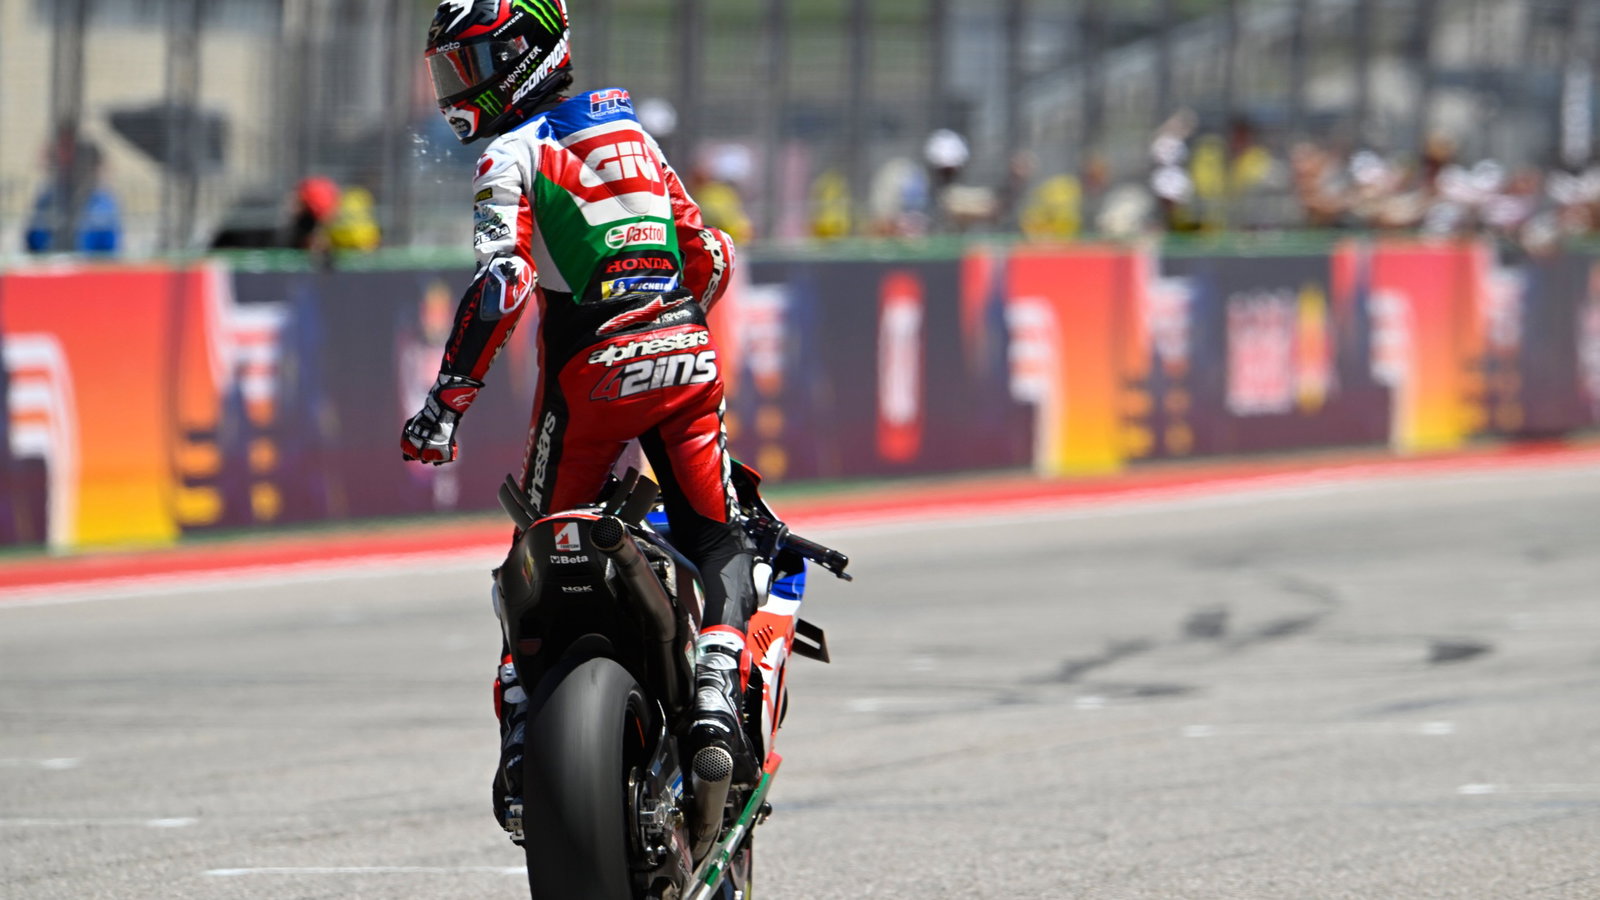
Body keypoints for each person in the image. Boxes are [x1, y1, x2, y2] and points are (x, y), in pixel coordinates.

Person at [400, 0, 751, 845]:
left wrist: (446, 404)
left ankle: (525, 734)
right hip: (686, 352)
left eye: (473, 64)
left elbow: (502, 287)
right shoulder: (632, 130)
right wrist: (671, 329)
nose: (461, 88)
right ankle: (713, 685)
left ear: (523, 53)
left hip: (590, 378)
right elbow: (712, 254)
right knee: (719, 535)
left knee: (533, 555)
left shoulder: (511, 154)